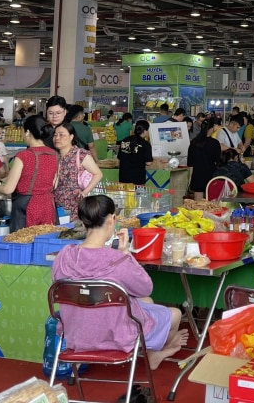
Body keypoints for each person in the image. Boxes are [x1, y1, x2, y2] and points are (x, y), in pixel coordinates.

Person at [52, 195, 186, 369]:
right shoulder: (116, 260)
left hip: (77, 333)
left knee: (146, 303)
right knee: (174, 313)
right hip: (116, 336)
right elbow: (146, 287)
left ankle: (153, 353)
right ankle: (156, 353)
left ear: (84, 222)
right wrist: (125, 254)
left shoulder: (64, 256)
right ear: (110, 219)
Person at [0, 114, 59, 232]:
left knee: (23, 242)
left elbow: (8, 189)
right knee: (44, 243)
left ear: (27, 132)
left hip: (26, 206)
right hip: (48, 205)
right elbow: (55, 184)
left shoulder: (24, 155)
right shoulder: (55, 154)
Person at [53, 122, 103, 221]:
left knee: (73, 230)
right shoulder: (56, 156)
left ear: (71, 137)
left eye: (61, 135)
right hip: (58, 202)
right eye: (55, 135)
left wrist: (85, 192)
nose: (57, 138)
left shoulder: (81, 154)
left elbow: (98, 174)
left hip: (75, 203)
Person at [188, 119, 223, 200]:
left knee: (198, 205)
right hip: (211, 176)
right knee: (211, 205)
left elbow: (190, 163)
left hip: (197, 176)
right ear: (213, 128)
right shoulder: (214, 143)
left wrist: (189, 180)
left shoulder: (193, 142)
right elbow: (218, 160)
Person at [118, 120, 154, 186]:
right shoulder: (145, 144)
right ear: (145, 131)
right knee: (138, 196)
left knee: (124, 195)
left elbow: (119, 157)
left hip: (123, 177)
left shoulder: (125, 140)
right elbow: (149, 163)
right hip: (137, 178)